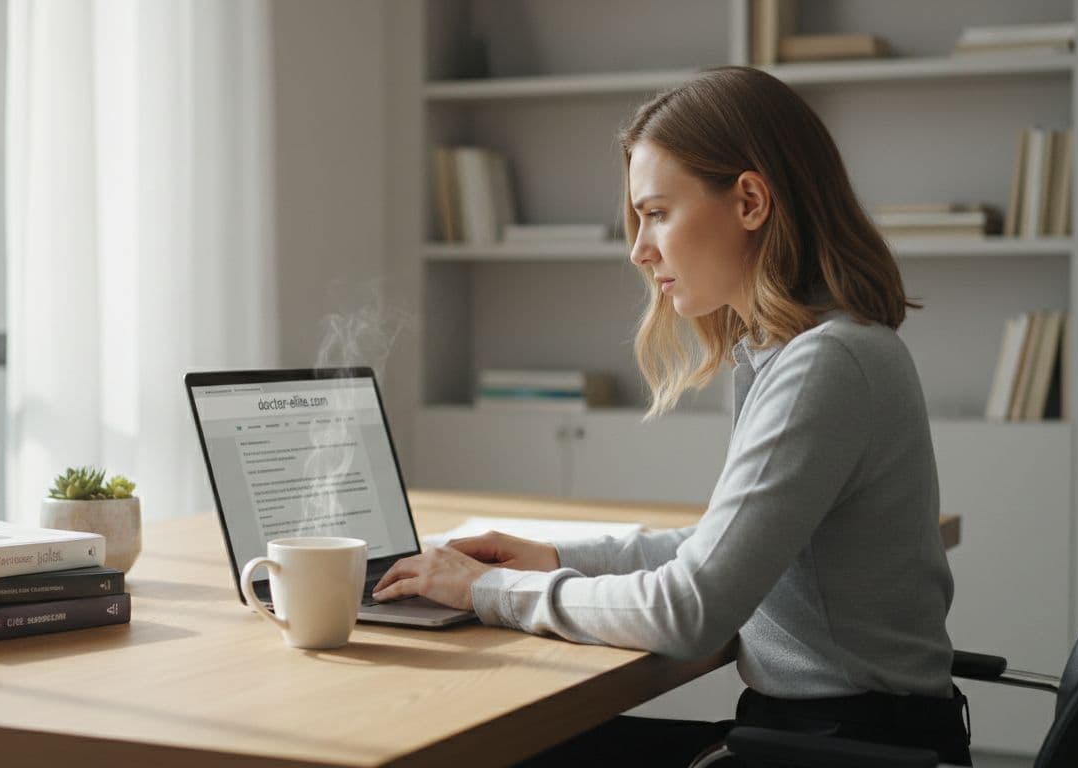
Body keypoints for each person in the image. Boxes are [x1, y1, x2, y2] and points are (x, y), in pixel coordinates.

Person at [372, 65, 971, 766]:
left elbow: (688, 612)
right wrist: (558, 557)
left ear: (750, 200)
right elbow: (718, 547)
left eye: (657, 212)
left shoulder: (826, 365)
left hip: (844, 750)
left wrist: (489, 590)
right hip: (829, 737)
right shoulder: (805, 351)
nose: (638, 248)